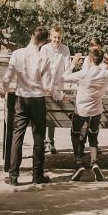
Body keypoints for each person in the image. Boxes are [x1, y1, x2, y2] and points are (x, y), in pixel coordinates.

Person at [0, 26, 53, 186]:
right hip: (37, 100)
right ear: (43, 42)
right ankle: (37, 175)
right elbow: (48, 84)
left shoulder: (17, 54)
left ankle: (14, 175)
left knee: (18, 136)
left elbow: (8, 76)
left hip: (21, 98)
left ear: (31, 35)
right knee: (38, 137)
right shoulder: (44, 58)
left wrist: (3, 89)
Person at [62, 48, 108, 182]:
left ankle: (79, 163)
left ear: (89, 59)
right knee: (93, 136)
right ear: (102, 60)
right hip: (96, 110)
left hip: (81, 110)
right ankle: (94, 162)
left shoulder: (83, 73)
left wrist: (73, 63)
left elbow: (64, 77)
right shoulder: (106, 74)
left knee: (75, 133)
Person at [40, 25, 72, 154]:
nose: (56, 40)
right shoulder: (44, 49)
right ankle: (42, 142)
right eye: (54, 37)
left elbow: (68, 66)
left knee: (53, 113)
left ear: (61, 37)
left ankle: (51, 141)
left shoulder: (65, 49)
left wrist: (68, 79)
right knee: (43, 113)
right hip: (45, 85)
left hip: (58, 84)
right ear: (50, 36)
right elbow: (40, 66)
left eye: (59, 37)